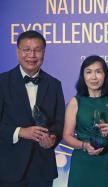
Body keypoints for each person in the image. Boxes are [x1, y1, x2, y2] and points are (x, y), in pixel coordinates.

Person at [0, 30, 65, 186]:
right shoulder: (2, 82)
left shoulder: (54, 84)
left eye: (37, 50)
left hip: (42, 170)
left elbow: (59, 123)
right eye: (27, 49)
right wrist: (21, 132)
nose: (32, 55)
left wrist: (52, 139)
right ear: (18, 51)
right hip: (8, 167)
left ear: (44, 52)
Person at [63, 55, 108, 187]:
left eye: (98, 72)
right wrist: (85, 145)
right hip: (82, 163)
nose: (93, 77)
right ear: (83, 75)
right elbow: (67, 136)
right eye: (89, 72)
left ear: (105, 75)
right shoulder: (76, 101)